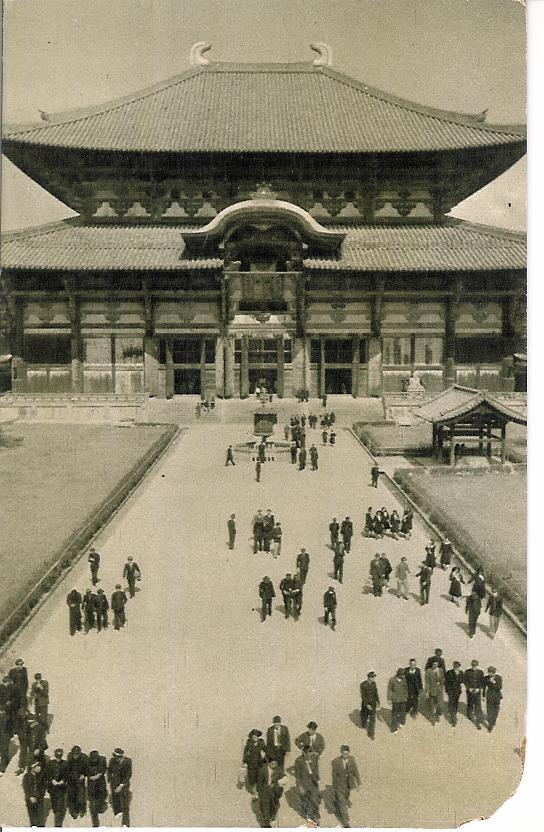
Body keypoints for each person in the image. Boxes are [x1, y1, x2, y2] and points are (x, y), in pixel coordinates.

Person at [331, 745, 361, 828]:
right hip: (339, 786)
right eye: (344, 754)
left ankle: (340, 801)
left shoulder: (352, 759)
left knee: (346, 797)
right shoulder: (335, 762)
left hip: (349, 785)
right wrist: (335, 788)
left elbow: (355, 771)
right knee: (343, 805)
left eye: (347, 754)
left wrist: (358, 783)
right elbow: (334, 776)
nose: (345, 756)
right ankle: (346, 823)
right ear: (341, 753)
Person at [295, 746, 321, 824]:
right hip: (304, 783)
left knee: (315, 799)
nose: (309, 756)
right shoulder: (298, 761)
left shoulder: (314, 758)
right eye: (308, 755)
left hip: (313, 782)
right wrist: (300, 787)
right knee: (308, 801)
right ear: (304, 753)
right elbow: (297, 775)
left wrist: (318, 779)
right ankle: (311, 817)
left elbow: (316, 769)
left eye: (311, 754)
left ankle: (314, 816)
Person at [257, 758, 285, 827]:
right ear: (268, 763)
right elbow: (259, 784)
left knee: (274, 807)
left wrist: (282, 781)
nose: (274, 766)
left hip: (275, 793)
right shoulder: (262, 770)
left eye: (275, 764)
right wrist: (260, 794)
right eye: (272, 764)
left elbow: (283, 778)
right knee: (265, 810)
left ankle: (272, 818)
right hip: (265, 793)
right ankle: (266, 825)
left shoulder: (278, 770)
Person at [107, 747, 132, 826]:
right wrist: (110, 780)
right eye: (114, 757)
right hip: (114, 783)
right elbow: (109, 771)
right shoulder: (112, 761)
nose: (115, 759)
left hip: (124, 785)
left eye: (117, 758)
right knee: (115, 801)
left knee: (125, 804)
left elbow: (128, 775)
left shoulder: (128, 761)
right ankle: (117, 815)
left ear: (121, 757)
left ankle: (125, 824)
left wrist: (121, 785)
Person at [46, 747, 68, 827]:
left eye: (60, 756)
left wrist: (63, 781)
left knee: (59, 806)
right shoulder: (50, 763)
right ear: (55, 755)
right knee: (54, 804)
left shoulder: (65, 764)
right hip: (52, 787)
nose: (58, 758)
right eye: (57, 756)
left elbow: (67, 774)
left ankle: (58, 824)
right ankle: (56, 812)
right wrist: (52, 780)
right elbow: (47, 774)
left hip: (61, 788)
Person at [242, 730, 268, 797]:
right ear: (251, 737)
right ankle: (254, 792)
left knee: (259, 777)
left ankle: (259, 790)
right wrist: (245, 762)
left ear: (258, 737)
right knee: (252, 778)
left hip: (260, 763)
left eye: (256, 737)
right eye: (253, 737)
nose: (255, 738)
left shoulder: (261, 742)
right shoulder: (249, 743)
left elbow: (266, 750)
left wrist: (267, 757)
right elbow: (245, 753)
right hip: (251, 763)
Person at [66, 745, 89, 819]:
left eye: (77, 755)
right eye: (74, 755)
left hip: (80, 778)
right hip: (71, 778)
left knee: (81, 795)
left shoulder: (85, 758)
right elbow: (68, 768)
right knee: (71, 795)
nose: (75, 756)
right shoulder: (69, 756)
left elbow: (87, 769)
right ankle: (73, 811)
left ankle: (82, 810)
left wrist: (84, 774)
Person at [87, 749, 108, 827]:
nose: (94, 761)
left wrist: (99, 774)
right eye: (93, 760)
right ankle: (95, 824)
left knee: (102, 797)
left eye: (95, 759)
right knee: (93, 806)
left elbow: (105, 768)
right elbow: (85, 770)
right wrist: (91, 776)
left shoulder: (102, 759)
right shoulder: (88, 761)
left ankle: (101, 806)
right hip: (92, 784)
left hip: (101, 783)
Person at [23, 760, 46, 827]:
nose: (39, 768)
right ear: (33, 767)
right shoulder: (27, 777)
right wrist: (31, 797)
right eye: (37, 767)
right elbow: (26, 788)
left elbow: (44, 787)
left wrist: (40, 795)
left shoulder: (41, 776)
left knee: (40, 814)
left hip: (39, 798)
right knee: (32, 815)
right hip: (30, 799)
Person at [464, 659, 485, 730]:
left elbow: (482, 682)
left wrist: (479, 688)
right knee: (470, 704)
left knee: (478, 705)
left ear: (477, 665)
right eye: (473, 665)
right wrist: (468, 687)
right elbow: (465, 681)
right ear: (471, 665)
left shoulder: (480, 672)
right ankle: (469, 715)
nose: (474, 667)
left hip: (477, 691)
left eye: (475, 665)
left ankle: (478, 722)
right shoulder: (467, 672)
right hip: (470, 691)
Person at [425, 658, 445, 724]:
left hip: (439, 690)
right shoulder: (428, 671)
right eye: (434, 664)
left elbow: (442, 679)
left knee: (440, 704)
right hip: (432, 690)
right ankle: (432, 719)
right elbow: (427, 682)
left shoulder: (440, 670)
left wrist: (442, 684)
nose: (435, 666)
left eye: (436, 664)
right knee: (431, 705)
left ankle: (437, 715)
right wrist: (427, 691)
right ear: (432, 665)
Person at [360, 671, 379, 739]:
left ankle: (371, 734)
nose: (374, 679)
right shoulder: (363, 684)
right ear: (369, 677)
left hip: (373, 703)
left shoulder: (374, 684)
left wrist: (378, 701)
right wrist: (367, 705)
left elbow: (376, 693)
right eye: (373, 677)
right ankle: (363, 723)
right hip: (366, 704)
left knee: (373, 719)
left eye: (374, 677)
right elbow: (363, 696)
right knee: (364, 715)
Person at [387, 668, 408, 732]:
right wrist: (389, 699)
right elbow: (389, 690)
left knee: (403, 712)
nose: (403, 676)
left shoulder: (404, 679)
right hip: (395, 700)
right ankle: (394, 728)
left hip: (403, 699)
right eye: (402, 675)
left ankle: (401, 722)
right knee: (394, 714)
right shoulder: (392, 680)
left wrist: (406, 696)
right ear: (398, 674)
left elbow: (406, 688)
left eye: (404, 675)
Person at [483, 666, 503, 732]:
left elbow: (500, 687)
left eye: (492, 673)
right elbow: (484, 687)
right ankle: (490, 726)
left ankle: (493, 720)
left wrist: (493, 683)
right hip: (489, 696)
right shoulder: (486, 678)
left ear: (494, 673)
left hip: (497, 696)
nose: (490, 674)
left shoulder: (498, 678)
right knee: (489, 711)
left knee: (496, 711)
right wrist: (483, 696)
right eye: (489, 672)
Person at [445, 662, 464, 726]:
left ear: (459, 666)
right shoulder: (449, 672)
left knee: (455, 703)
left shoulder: (461, 673)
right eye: (455, 666)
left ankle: (454, 714)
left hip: (457, 691)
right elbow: (446, 682)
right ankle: (454, 719)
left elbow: (463, 681)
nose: (456, 667)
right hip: (451, 691)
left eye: (457, 666)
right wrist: (447, 690)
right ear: (453, 666)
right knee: (451, 703)